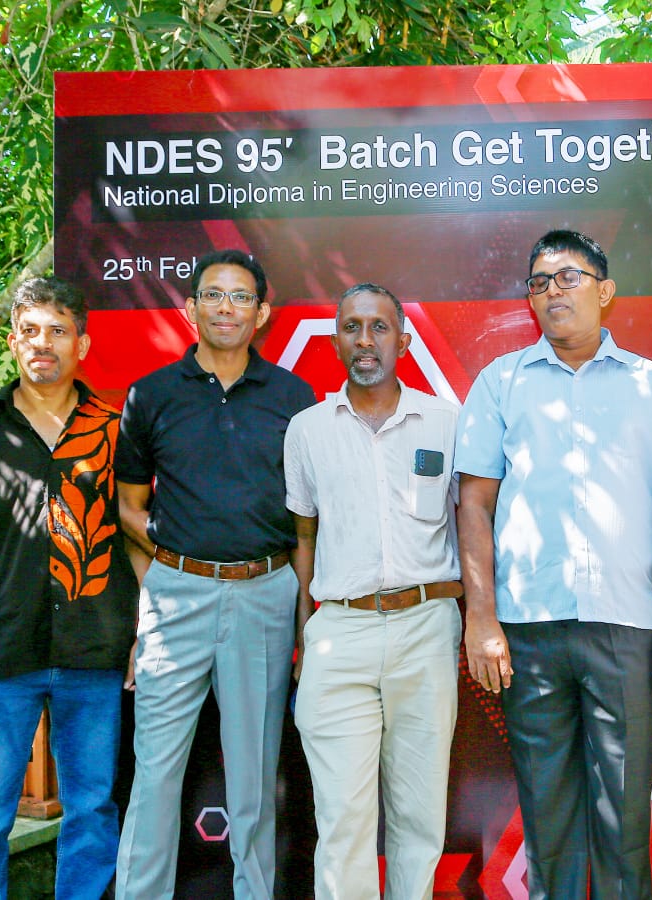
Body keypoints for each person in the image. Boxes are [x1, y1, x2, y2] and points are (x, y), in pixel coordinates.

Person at [454, 229, 652, 899]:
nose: (552, 291)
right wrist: (481, 618)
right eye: (539, 282)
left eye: (568, 277)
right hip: (528, 634)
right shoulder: (501, 384)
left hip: (626, 631)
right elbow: (473, 505)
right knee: (549, 820)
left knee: (623, 824)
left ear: (605, 290)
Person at [0, 277, 137, 899]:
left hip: (96, 650)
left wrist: (146, 634)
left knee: (92, 811)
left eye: (59, 332)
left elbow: (139, 541)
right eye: (31, 332)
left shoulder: (116, 430)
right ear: (12, 343)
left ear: (83, 344)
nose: (45, 345)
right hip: (0, 653)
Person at [114, 249, 314, 898]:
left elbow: (309, 516)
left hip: (264, 594)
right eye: (213, 295)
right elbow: (129, 507)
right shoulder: (151, 395)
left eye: (240, 297)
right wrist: (174, 562)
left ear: (262, 312)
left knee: (254, 778)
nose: (226, 307)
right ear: (191, 307)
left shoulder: (293, 398)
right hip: (174, 599)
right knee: (155, 774)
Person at [284, 283, 462, 899]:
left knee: (419, 816)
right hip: (340, 634)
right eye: (353, 327)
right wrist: (309, 627)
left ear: (404, 341)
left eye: (380, 327)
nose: (366, 340)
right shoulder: (307, 431)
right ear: (336, 340)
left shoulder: (447, 421)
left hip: (427, 627)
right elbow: (303, 534)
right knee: (342, 820)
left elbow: (472, 527)